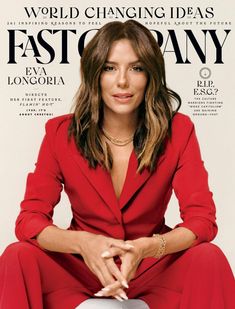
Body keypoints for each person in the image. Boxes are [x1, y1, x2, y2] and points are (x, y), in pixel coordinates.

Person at [0, 20, 234, 309]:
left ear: (150, 75)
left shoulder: (179, 131)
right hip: (80, 268)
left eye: (136, 68)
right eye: (110, 67)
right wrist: (84, 244)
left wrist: (149, 247)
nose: (122, 81)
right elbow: (29, 220)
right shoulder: (60, 133)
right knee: (17, 255)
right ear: (95, 74)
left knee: (209, 257)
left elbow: (202, 220)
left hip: (151, 267)